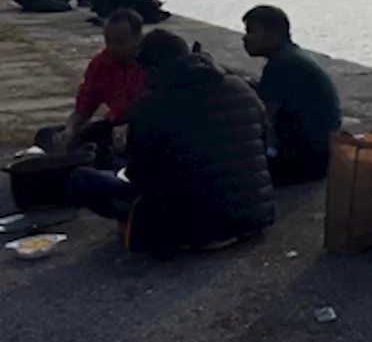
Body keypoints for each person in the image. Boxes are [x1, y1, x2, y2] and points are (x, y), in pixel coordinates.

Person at [67, 29, 275, 254]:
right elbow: (262, 146)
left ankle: (137, 225)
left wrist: (123, 150)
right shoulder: (242, 88)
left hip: (188, 229)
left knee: (83, 179)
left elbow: (141, 176)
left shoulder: (148, 105)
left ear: (151, 69)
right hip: (254, 218)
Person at [242, 5, 342, 186]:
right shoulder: (291, 56)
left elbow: (262, 116)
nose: (245, 38)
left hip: (304, 161)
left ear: (273, 33)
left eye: (251, 31)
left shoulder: (281, 65)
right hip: (322, 154)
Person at [34, 8, 146, 169]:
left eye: (120, 42)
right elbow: (84, 107)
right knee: (49, 136)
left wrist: (132, 127)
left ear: (138, 38)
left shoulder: (151, 64)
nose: (112, 48)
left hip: (145, 129)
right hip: (113, 126)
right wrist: (70, 130)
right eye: (108, 41)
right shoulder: (101, 63)